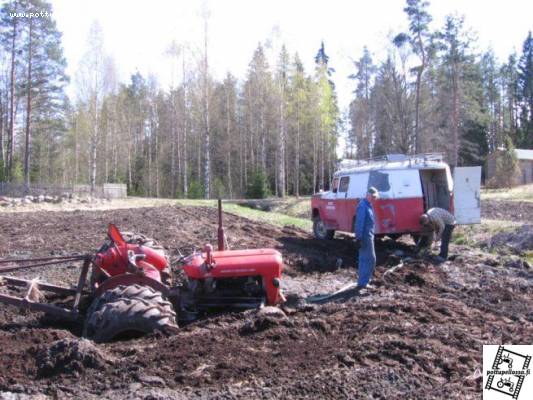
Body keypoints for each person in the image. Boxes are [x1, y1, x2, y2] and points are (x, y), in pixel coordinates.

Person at [354, 187, 378, 288]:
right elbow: (359, 222)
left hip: (369, 236)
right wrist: (358, 238)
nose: (374, 198)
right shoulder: (363, 206)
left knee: (366, 258)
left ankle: (363, 281)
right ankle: (363, 282)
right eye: (373, 196)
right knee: (369, 259)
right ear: (368, 195)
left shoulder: (368, 205)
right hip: (365, 237)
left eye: (375, 197)